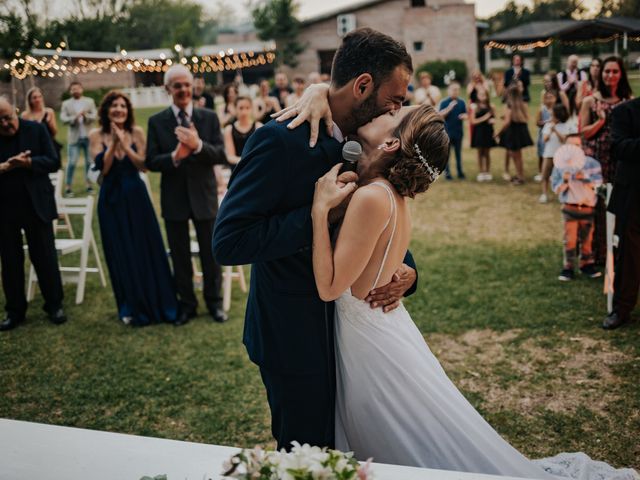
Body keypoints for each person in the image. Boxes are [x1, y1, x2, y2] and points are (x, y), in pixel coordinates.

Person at [310, 103, 638, 480]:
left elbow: (330, 286)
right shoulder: (387, 194)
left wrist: (320, 213)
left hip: (371, 342)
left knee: (398, 444)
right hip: (378, 329)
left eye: (390, 117)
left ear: (390, 143)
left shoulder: (372, 197)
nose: (382, 111)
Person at [213, 27, 418, 451]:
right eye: (394, 99)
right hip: (294, 338)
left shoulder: (368, 142)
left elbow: (372, 220)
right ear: (363, 85)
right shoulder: (278, 140)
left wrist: (408, 270)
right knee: (307, 454)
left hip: (351, 336)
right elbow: (229, 240)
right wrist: (318, 215)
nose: (398, 109)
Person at [146, 65, 228, 326]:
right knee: (180, 256)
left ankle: (214, 303)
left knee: (210, 254)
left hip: (204, 197)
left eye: (186, 85)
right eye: (177, 85)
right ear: (167, 89)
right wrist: (175, 157)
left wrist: (198, 146)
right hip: (175, 197)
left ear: (193, 87)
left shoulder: (209, 118)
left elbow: (220, 154)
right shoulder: (157, 122)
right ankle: (187, 305)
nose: (182, 90)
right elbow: (151, 160)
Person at [89, 91, 178, 326]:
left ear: (128, 111)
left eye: (123, 106)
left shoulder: (137, 132)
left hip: (137, 198)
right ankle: (129, 304)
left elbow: (144, 166)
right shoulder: (96, 135)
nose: (119, 109)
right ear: (106, 110)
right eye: (114, 106)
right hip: (111, 200)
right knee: (120, 251)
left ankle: (159, 302)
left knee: (144, 246)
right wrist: (114, 143)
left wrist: (125, 145)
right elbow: (104, 170)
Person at [0, 96, 66, 331]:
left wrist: (28, 163)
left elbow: (53, 161)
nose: (5, 124)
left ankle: (54, 304)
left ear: (15, 112)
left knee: (45, 256)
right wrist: (7, 166)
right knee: (10, 261)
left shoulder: (36, 130)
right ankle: (15, 311)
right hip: (5, 207)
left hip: (36, 203)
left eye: (7, 118)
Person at [579, 56, 633, 265]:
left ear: (621, 74)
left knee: (618, 204)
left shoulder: (628, 100)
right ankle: (593, 251)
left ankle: (618, 250)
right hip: (596, 159)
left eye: (615, 71)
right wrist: (601, 120)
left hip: (619, 160)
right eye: (606, 71)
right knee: (595, 206)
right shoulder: (590, 101)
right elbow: (584, 133)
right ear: (600, 74)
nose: (610, 75)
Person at [603, 97, 640, 330]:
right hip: (633, 194)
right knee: (629, 255)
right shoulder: (625, 111)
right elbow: (617, 147)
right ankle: (622, 309)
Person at [551, 136, 602, 281]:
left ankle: (586, 264)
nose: (575, 148)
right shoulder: (560, 166)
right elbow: (556, 189)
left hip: (587, 207)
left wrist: (584, 177)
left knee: (587, 238)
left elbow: (598, 184)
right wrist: (565, 180)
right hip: (570, 207)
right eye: (571, 145)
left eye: (578, 145)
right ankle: (568, 267)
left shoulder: (591, 163)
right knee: (570, 239)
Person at [60, 81, 97, 196]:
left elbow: (94, 116)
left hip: (88, 136)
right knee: (72, 162)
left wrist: (85, 115)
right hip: (74, 138)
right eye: (73, 89)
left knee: (89, 162)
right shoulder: (66, 104)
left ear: (82, 89)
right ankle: (68, 187)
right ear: (70, 91)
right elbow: (63, 118)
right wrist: (74, 118)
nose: (75, 91)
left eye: (77, 88)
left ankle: (89, 185)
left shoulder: (89, 101)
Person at [495, 84, 532, 185]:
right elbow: (526, 117)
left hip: (513, 131)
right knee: (518, 155)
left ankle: (520, 177)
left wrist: (498, 133)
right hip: (521, 129)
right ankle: (520, 175)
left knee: (515, 155)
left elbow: (507, 122)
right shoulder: (521, 103)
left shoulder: (509, 105)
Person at [540, 104, 575, 203]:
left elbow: (564, 140)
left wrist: (555, 130)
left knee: (562, 176)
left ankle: (562, 193)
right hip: (549, 154)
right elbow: (545, 139)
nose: (551, 117)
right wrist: (551, 130)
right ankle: (544, 194)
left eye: (553, 114)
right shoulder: (548, 125)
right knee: (545, 174)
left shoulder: (568, 126)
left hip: (562, 155)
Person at [223, 96, 263, 171]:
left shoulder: (259, 127)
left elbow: (261, 152)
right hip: (237, 170)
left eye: (247, 108)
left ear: (251, 109)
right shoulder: (229, 129)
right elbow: (230, 156)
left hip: (255, 168)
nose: (244, 112)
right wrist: (246, 161)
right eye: (241, 108)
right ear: (235, 109)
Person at [21, 87, 61, 160]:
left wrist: (49, 122)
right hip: (33, 147)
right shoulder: (25, 115)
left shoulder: (49, 112)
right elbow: (23, 134)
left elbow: (54, 133)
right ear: (30, 100)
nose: (38, 99)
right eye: (34, 97)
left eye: (40, 97)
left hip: (48, 146)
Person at [438, 81, 467, 180]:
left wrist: (464, 116)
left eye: (457, 90)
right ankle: (447, 173)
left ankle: (460, 172)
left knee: (458, 154)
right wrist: (449, 108)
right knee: (447, 155)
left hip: (458, 132)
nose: (455, 92)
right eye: (453, 90)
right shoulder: (444, 102)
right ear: (448, 91)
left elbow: (466, 114)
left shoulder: (462, 102)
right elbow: (440, 115)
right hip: (447, 133)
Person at [469, 87, 496, 182]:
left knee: (487, 153)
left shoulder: (491, 106)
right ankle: (481, 172)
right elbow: (473, 121)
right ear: (477, 96)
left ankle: (487, 172)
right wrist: (485, 117)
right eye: (480, 94)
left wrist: (493, 120)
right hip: (479, 132)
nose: (482, 96)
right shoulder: (474, 107)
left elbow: (493, 118)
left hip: (488, 132)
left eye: (484, 94)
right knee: (480, 152)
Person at [535, 90, 556, 182]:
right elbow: (537, 122)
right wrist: (546, 123)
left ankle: (552, 173)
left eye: (551, 97)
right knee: (541, 153)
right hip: (542, 135)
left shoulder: (556, 110)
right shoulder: (541, 110)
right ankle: (541, 172)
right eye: (547, 98)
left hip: (553, 135)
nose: (549, 100)